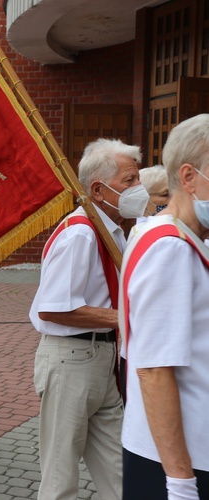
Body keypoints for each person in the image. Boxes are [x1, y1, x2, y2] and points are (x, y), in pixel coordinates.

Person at [29, 138, 150, 500]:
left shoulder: (113, 232)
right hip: (71, 361)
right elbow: (52, 307)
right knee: (60, 476)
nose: (138, 189)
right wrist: (125, 317)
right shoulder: (80, 232)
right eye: (130, 180)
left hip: (100, 361)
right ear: (99, 190)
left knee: (122, 472)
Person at [120, 114, 209, 499]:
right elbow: (154, 370)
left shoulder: (171, 235)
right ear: (188, 178)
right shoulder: (170, 247)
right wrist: (181, 483)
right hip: (179, 459)